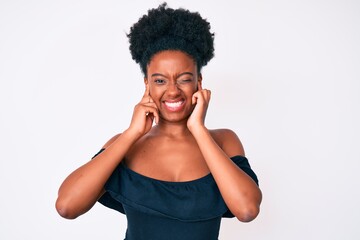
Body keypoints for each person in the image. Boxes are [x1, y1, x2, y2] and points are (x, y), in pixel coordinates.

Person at [56, 3, 262, 240]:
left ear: (199, 82)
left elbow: (247, 209)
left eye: (184, 79)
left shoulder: (224, 141)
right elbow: (67, 206)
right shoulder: (125, 143)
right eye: (160, 81)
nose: (173, 91)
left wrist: (198, 129)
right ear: (147, 85)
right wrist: (132, 133)